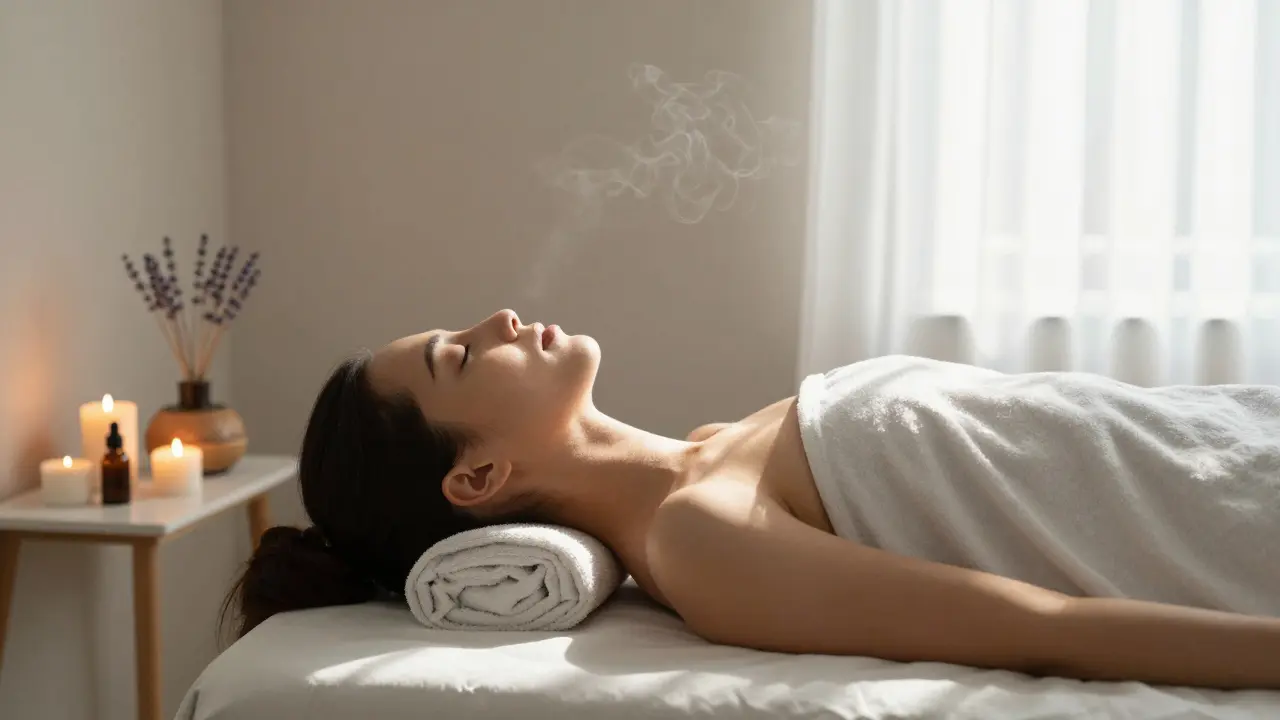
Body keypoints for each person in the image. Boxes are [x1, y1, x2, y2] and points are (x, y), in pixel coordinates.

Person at [223, 308, 1280, 690]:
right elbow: (1037, 629)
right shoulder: (699, 542)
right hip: (1228, 525)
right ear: (478, 479)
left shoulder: (708, 452)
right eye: (461, 353)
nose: (499, 317)